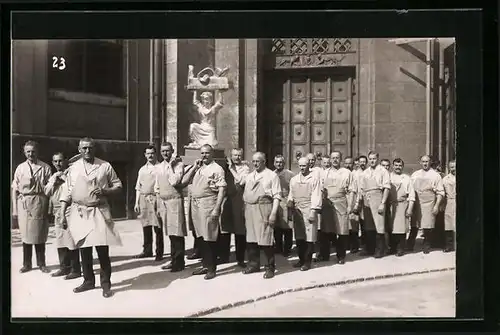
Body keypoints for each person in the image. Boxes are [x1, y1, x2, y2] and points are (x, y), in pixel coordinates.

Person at [59, 137, 123, 298]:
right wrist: (62, 215)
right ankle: (88, 281)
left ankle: (106, 284)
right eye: (84, 148)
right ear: (79, 150)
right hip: (79, 211)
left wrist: (106, 191)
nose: (88, 151)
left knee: (102, 249)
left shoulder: (104, 166)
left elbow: (118, 185)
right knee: (84, 249)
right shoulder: (74, 168)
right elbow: (67, 192)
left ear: (95, 149)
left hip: (99, 211)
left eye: (90, 148)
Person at [182, 144, 226, 280]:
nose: (204, 156)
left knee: (210, 236)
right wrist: (194, 167)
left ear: (212, 154)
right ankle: (205, 265)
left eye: (207, 153)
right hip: (196, 204)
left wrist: (217, 208)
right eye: (202, 153)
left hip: (208, 203)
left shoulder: (217, 169)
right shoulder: (198, 168)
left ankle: (212, 268)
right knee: (200, 236)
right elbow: (183, 181)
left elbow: (222, 189)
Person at [12, 140, 52, 273]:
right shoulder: (20, 168)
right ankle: (27, 264)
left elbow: (50, 189)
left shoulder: (45, 167)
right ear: (24, 152)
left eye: (33, 151)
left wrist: (50, 207)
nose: (31, 154)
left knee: (39, 234)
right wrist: (15, 210)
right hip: (24, 203)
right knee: (26, 235)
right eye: (28, 151)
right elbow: (15, 189)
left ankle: (42, 263)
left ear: (37, 151)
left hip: (40, 201)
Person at [242, 152, 282, 279]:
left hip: (264, 208)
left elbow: (277, 196)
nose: (255, 164)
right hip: (250, 208)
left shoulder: (271, 176)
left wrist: (273, 213)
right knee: (251, 239)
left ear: (264, 161)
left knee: (266, 239)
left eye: (257, 161)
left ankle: (270, 267)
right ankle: (253, 264)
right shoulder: (249, 176)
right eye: (253, 161)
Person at [44, 152, 81, 279]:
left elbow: (76, 189)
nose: (58, 164)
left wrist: (64, 179)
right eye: (55, 161)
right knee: (60, 240)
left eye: (60, 161)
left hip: (70, 209)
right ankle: (64, 268)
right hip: (57, 211)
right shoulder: (53, 176)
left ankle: (75, 269)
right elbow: (47, 192)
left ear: (65, 160)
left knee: (71, 240)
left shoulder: (72, 173)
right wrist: (54, 181)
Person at [319, 151, 357, 264]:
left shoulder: (346, 173)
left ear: (340, 159)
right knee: (325, 231)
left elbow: (352, 190)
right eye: (333, 158)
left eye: (337, 158)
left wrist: (350, 205)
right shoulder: (324, 173)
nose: (335, 160)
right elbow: (320, 189)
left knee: (342, 230)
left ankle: (341, 256)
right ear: (330, 159)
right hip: (327, 204)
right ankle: (324, 255)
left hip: (341, 203)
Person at [155, 143, 186, 272]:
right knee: (169, 232)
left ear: (172, 151)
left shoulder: (178, 165)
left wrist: (171, 166)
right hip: (163, 202)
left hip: (174, 201)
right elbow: (157, 187)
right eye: (163, 151)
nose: (165, 153)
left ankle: (179, 262)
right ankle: (173, 260)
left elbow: (174, 181)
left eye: (168, 151)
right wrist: (157, 205)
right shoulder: (159, 166)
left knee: (177, 232)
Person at [288, 157, 322, 271]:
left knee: (309, 236)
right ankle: (301, 259)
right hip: (297, 210)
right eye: (301, 166)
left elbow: (316, 195)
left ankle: (307, 262)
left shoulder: (314, 179)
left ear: (309, 166)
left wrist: (313, 211)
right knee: (299, 236)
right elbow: (291, 194)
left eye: (304, 165)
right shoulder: (294, 179)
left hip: (309, 208)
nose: (302, 168)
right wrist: (290, 204)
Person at [409, 155, 445, 254]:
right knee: (414, 224)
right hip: (417, 202)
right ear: (420, 162)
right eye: (423, 161)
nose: (425, 164)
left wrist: (436, 205)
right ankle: (410, 244)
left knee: (428, 225)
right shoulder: (415, 174)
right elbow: (410, 189)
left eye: (427, 162)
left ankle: (426, 245)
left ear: (430, 162)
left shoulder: (435, 175)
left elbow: (440, 192)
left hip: (429, 202)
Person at [357, 151, 391, 258]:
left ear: (377, 158)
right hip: (367, 199)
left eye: (374, 159)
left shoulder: (383, 171)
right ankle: (370, 249)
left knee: (379, 225)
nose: (372, 161)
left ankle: (380, 250)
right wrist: (359, 203)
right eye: (370, 159)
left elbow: (386, 188)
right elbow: (361, 189)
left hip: (378, 197)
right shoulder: (365, 172)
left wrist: (382, 203)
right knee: (369, 226)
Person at [134, 145, 163, 261]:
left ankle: (159, 252)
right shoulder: (142, 169)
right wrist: (136, 203)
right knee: (146, 226)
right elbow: (138, 187)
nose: (150, 155)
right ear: (145, 155)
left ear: (156, 154)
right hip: (143, 199)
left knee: (158, 227)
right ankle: (147, 250)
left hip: (155, 198)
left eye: (152, 153)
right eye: (148, 153)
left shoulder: (160, 167)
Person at [223, 148, 251, 267]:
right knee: (225, 229)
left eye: (239, 155)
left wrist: (231, 169)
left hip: (239, 200)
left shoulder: (245, 168)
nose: (237, 158)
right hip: (227, 199)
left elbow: (241, 181)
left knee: (240, 230)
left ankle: (240, 258)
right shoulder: (225, 167)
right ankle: (224, 256)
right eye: (234, 155)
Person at [388, 158, 415, 257]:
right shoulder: (388, 177)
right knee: (391, 228)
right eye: (396, 165)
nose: (398, 167)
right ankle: (392, 247)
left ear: (402, 167)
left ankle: (400, 248)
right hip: (390, 205)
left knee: (401, 228)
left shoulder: (406, 178)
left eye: (400, 165)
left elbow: (411, 195)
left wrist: (410, 209)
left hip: (402, 205)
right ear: (393, 166)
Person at [273, 155, 295, 257]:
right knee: (276, 226)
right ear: (274, 163)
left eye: (281, 162)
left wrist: (290, 201)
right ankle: (278, 247)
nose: (279, 164)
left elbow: (293, 189)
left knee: (287, 226)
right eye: (277, 162)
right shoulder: (272, 174)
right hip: (275, 201)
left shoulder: (290, 174)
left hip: (286, 201)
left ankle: (287, 248)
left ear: (284, 163)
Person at [442, 160, 456, 252]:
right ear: (448, 168)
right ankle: (449, 245)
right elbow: (442, 192)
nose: (454, 169)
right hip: (449, 202)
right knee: (448, 225)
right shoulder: (445, 179)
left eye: (455, 166)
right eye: (451, 167)